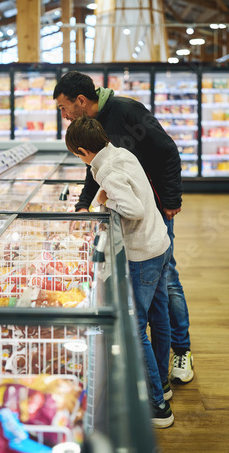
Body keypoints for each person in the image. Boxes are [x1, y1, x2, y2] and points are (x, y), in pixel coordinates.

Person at [53, 71, 194, 385]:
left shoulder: (127, 111)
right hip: (136, 214)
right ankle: (159, 368)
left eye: (64, 108)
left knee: (167, 280)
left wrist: (171, 199)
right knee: (157, 294)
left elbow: (168, 151)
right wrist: (84, 202)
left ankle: (181, 350)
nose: (63, 115)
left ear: (80, 101)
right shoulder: (92, 130)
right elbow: (96, 166)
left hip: (154, 209)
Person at [65, 116, 173, 428]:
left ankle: (158, 405)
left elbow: (134, 209)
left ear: (84, 151)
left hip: (142, 255)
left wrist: (106, 203)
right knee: (159, 317)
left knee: (137, 328)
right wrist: (103, 196)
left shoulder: (107, 169)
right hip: (159, 243)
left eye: (79, 156)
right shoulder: (120, 154)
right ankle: (162, 384)